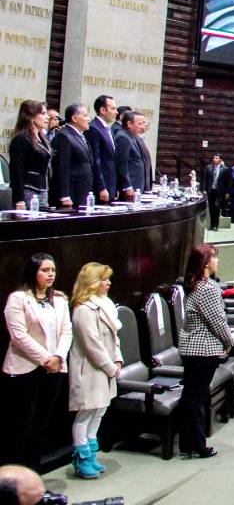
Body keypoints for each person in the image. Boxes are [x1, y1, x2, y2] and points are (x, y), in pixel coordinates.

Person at [2, 254, 72, 469]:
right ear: (33, 272)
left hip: (55, 369)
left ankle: (33, 477)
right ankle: (14, 482)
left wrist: (58, 357)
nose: (50, 274)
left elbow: (67, 331)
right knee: (22, 425)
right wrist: (45, 359)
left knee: (41, 425)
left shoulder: (59, 300)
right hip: (26, 370)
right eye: (45, 270)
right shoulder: (18, 298)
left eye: (53, 270)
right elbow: (19, 335)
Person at [178, 245, 233, 458]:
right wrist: (229, 342)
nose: (217, 261)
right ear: (205, 262)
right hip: (203, 351)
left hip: (191, 349)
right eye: (214, 258)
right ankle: (198, 445)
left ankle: (187, 443)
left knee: (190, 397)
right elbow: (218, 321)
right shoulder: (208, 289)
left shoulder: (193, 285)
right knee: (197, 399)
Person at [67, 263, 121, 479]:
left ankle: (92, 455)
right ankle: (82, 458)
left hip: (106, 368)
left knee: (100, 410)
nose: (108, 283)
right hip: (89, 369)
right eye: (104, 279)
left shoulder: (106, 304)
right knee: (86, 412)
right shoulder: (83, 308)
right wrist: (110, 367)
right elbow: (92, 344)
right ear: (92, 282)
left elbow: (114, 338)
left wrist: (117, 360)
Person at [7, 101, 52, 210]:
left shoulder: (42, 138)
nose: (48, 117)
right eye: (43, 113)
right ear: (31, 116)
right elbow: (16, 171)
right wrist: (19, 200)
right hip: (28, 190)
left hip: (42, 190)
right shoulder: (21, 139)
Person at [50, 103, 93, 208]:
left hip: (82, 192)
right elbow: (62, 168)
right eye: (85, 115)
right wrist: (65, 196)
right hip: (71, 194)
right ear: (74, 118)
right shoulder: (64, 136)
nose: (89, 119)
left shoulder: (80, 136)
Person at [84, 95, 118, 204]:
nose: (116, 112)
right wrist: (102, 187)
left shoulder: (108, 129)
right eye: (113, 109)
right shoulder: (93, 128)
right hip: (100, 188)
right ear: (103, 110)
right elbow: (96, 161)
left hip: (111, 185)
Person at [113, 110, 153, 199]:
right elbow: (122, 164)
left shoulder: (134, 136)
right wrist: (127, 186)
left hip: (139, 185)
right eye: (139, 123)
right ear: (129, 124)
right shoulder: (123, 137)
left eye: (143, 123)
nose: (142, 126)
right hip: (131, 186)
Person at [202, 154, 228, 230]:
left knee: (217, 207)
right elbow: (205, 179)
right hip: (211, 190)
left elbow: (227, 182)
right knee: (211, 208)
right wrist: (204, 189)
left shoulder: (225, 169)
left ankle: (216, 225)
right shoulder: (209, 167)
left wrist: (227, 192)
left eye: (216, 158)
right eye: (214, 158)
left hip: (219, 191)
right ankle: (211, 224)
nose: (214, 159)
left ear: (220, 160)